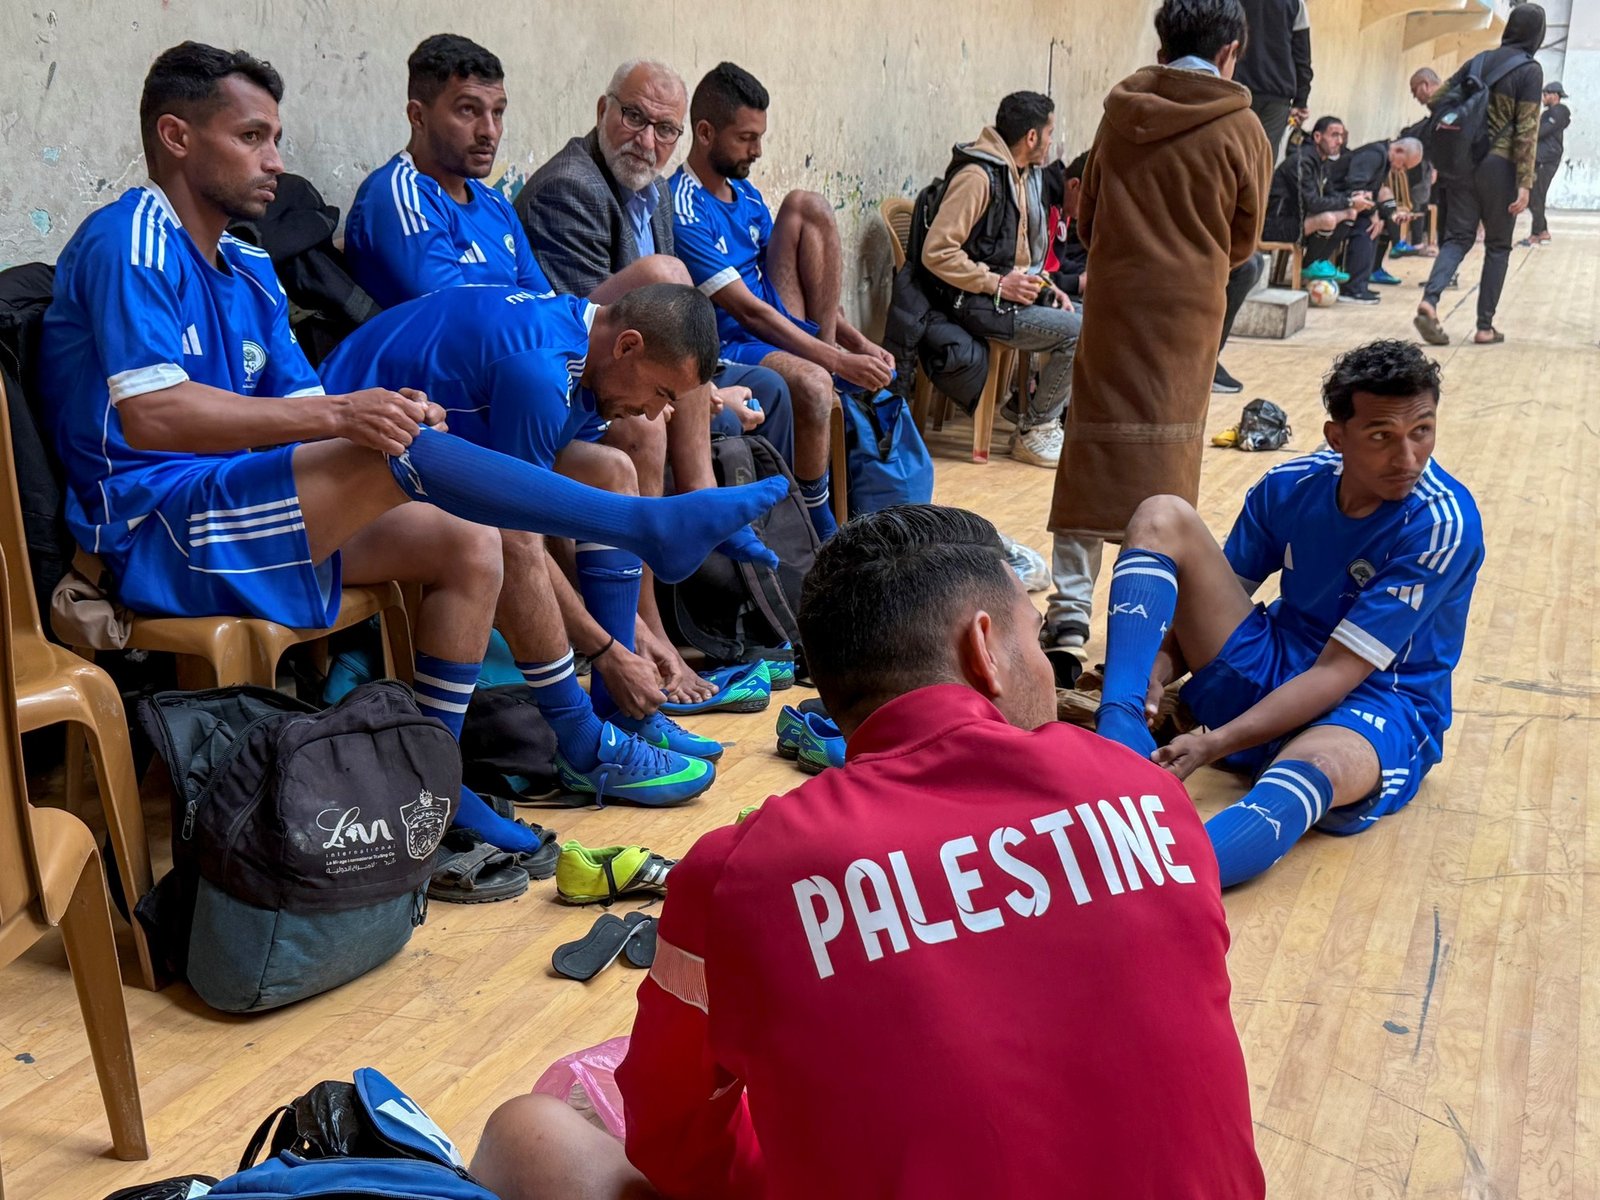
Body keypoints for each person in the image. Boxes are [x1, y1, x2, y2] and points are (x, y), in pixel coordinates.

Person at [39, 45, 788, 845]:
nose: (276, 161)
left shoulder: (250, 267)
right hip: (157, 526)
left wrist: (373, 412)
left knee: (468, 541)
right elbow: (155, 418)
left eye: (275, 138)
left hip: (245, 505)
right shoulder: (130, 238)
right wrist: (347, 420)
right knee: (389, 449)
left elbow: (303, 405)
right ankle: (639, 536)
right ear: (177, 137)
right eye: (253, 137)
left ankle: (435, 785)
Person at [471, 504, 1266, 1200]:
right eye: (1038, 641)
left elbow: (675, 1149)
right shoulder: (1148, 797)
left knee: (531, 1132)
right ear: (985, 648)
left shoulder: (740, 871)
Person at [320, 284, 757, 802]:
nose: (647, 412)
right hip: (338, 476)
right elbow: (515, 528)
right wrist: (607, 649)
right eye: (660, 393)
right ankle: (579, 740)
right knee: (509, 540)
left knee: (613, 469)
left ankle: (619, 710)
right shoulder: (541, 373)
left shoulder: (579, 341)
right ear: (628, 346)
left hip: (425, 449)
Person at [1093, 340, 1482, 886]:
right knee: (1162, 514)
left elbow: (1335, 673)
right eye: (1381, 437)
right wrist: (1157, 672)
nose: (1408, 458)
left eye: (1422, 431)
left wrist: (1214, 742)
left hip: (1377, 699)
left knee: (1319, 769)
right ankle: (1121, 719)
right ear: (1336, 437)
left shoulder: (1442, 523)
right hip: (1274, 659)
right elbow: (1199, 606)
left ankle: (1166, 882)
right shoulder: (1289, 486)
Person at [1043, 0, 1270, 653]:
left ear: (1162, 45)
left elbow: (1088, 218)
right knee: (1167, 459)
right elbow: (1244, 237)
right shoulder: (1242, 127)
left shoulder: (1120, 115)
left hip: (1116, 297)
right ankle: (1137, 632)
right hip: (1187, 309)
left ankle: (1067, 615)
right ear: (1232, 50)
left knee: (1092, 443)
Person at [514, 58, 797, 467]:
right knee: (664, 274)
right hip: (607, 375)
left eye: (664, 129)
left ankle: (789, 519)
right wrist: (696, 395)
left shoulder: (657, 191)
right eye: (634, 117)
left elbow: (674, 321)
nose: (647, 142)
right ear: (602, 111)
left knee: (770, 388)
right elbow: (591, 334)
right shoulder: (568, 189)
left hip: (659, 361)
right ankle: (699, 515)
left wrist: (707, 390)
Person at [671, 61, 896, 540]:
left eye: (760, 137)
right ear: (706, 132)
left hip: (776, 318)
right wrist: (832, 360)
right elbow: (749, 313)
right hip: (734, 341)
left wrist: (854, 344)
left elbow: (810, 283)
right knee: (814, 386)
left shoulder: (746, 194)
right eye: (746, 138)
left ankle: (833, 370)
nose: (757, 150)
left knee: (806, 206)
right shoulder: (683, 205)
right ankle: (818, 526)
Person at [919, 91, 1081, 467]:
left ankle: (1023, 408)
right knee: (1078, 333)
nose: (1052, 142)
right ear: (1031, 137)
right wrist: (996, 283)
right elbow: (937, 252)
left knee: (1089, 314)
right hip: (973, 303)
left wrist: (1047, 285)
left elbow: (1018, 256)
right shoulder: (978, 177)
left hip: (1002, 298)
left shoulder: (1019, 175)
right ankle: (1035, 428)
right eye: (1050, 133)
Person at [343, 35, 552, 309]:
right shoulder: (398, 195)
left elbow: (550, 309)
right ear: (418, 117)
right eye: (468, 110)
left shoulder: (497, 205)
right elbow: (462, 323)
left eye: (498, 112)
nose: (489, 131)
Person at [1416, 4, 1546, 346]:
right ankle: (1485, 327)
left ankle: (1429, 300)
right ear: (1537, 34)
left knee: (1457, 238)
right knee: (1498, 246)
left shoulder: (1478, 61)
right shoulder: (1530, 71)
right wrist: (1525, 183)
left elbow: (1437, 99)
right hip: (1499, 169)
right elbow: (1527, 130)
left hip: (1460, 164)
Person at [1325, 136, 1424, 304]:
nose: (1401, 170)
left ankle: (1365, 279)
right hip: (1336, 199)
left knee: (1381, 221)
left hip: (1354, 202)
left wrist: (1386, 213)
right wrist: (1373, 214)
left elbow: (1375, 192)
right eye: (1404, 165)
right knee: (1367, 227)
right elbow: (1357, 187)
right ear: (1398, 151)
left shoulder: (1383, 158)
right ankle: (1353, 288)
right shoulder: (1374, 154)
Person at [1262, 115, 1362, 281]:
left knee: (1351, 213)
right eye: (1334, 135)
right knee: (1328, 219)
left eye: (1341, 136)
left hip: (1299, 222)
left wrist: (1353, 198)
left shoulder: (1321, 163)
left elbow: (1331, 195)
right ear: (1317, 137)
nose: (1339, 141)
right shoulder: (1301, 162)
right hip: (1276, 224)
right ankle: (1309, 265)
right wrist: (1349, 201)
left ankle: (1319, 262)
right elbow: (1313, 203)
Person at [1234, 0, 1313, 165]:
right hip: (1276, 98)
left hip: (1236, 90)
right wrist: (1301, 101)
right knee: (1262, 165)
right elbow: (1302, 57)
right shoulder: (1296, 4)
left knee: (1230, 157)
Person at [1524, 80, 1570, 245]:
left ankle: (1537, 233)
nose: (1543, 97)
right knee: (1533, 195)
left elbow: (1541, 132)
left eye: (1546, 94)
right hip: (1541, 158)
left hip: (1547, 160)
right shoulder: (1549, 114)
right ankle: (1541, 231)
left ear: (1555, 95)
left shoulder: (1558, 112)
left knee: (1536, 195)